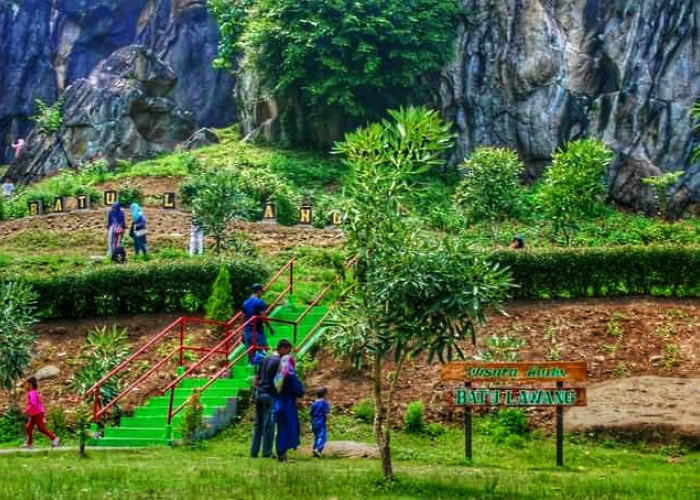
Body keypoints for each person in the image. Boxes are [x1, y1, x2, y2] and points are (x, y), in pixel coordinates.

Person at [250, 339, 292, 459]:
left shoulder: (265, 359)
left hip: (260, 393)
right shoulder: (279, 362)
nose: (287, 354)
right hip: (270, 395)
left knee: (258, 425)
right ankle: (267, 452)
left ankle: (254, 451)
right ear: (282, 348)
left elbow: (256, 378)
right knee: (269, 425)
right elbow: (278, 382)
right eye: (287, 351)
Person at [273, 354, 304, 462]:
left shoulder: (278, 376)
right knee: (287, 429)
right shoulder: (290, 375)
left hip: (278, 404)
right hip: (288, 405)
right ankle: (282, 454)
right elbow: (299, 391)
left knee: (281, 429)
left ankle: (281, 453)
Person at [242, 284, 274, 363]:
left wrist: (243, 331)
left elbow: (243, 317)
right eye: (262, 292)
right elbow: (263, 317)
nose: (262, 294)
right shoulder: (260, 302)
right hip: (257, 331)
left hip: (247, 331)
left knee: (250, 354)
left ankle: (251, 372)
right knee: (263, 351)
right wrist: (270, 328)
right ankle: (261, 372)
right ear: (258, 291)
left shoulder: (245, 302)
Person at [24, 377, 59, 449]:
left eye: (26, 384)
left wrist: (28, 409)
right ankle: (29, 444)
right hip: (35, 413)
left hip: (37, 412)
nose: (25, 386)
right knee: (28, 427)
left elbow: (34, 403)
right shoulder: (32, 392)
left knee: (41, 428)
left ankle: (54, 438)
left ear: (30, 384)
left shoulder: (32, 393)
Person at [310, 387, 331, 457]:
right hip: (321, 421)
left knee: (316, 436)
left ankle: (314, 449)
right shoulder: (324, 403)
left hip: (314, 421)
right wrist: (328, 422)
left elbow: (311, 413)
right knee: (322, 436)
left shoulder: (314, 403)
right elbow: (326, 413)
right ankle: (318, 449)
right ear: (325, 395)